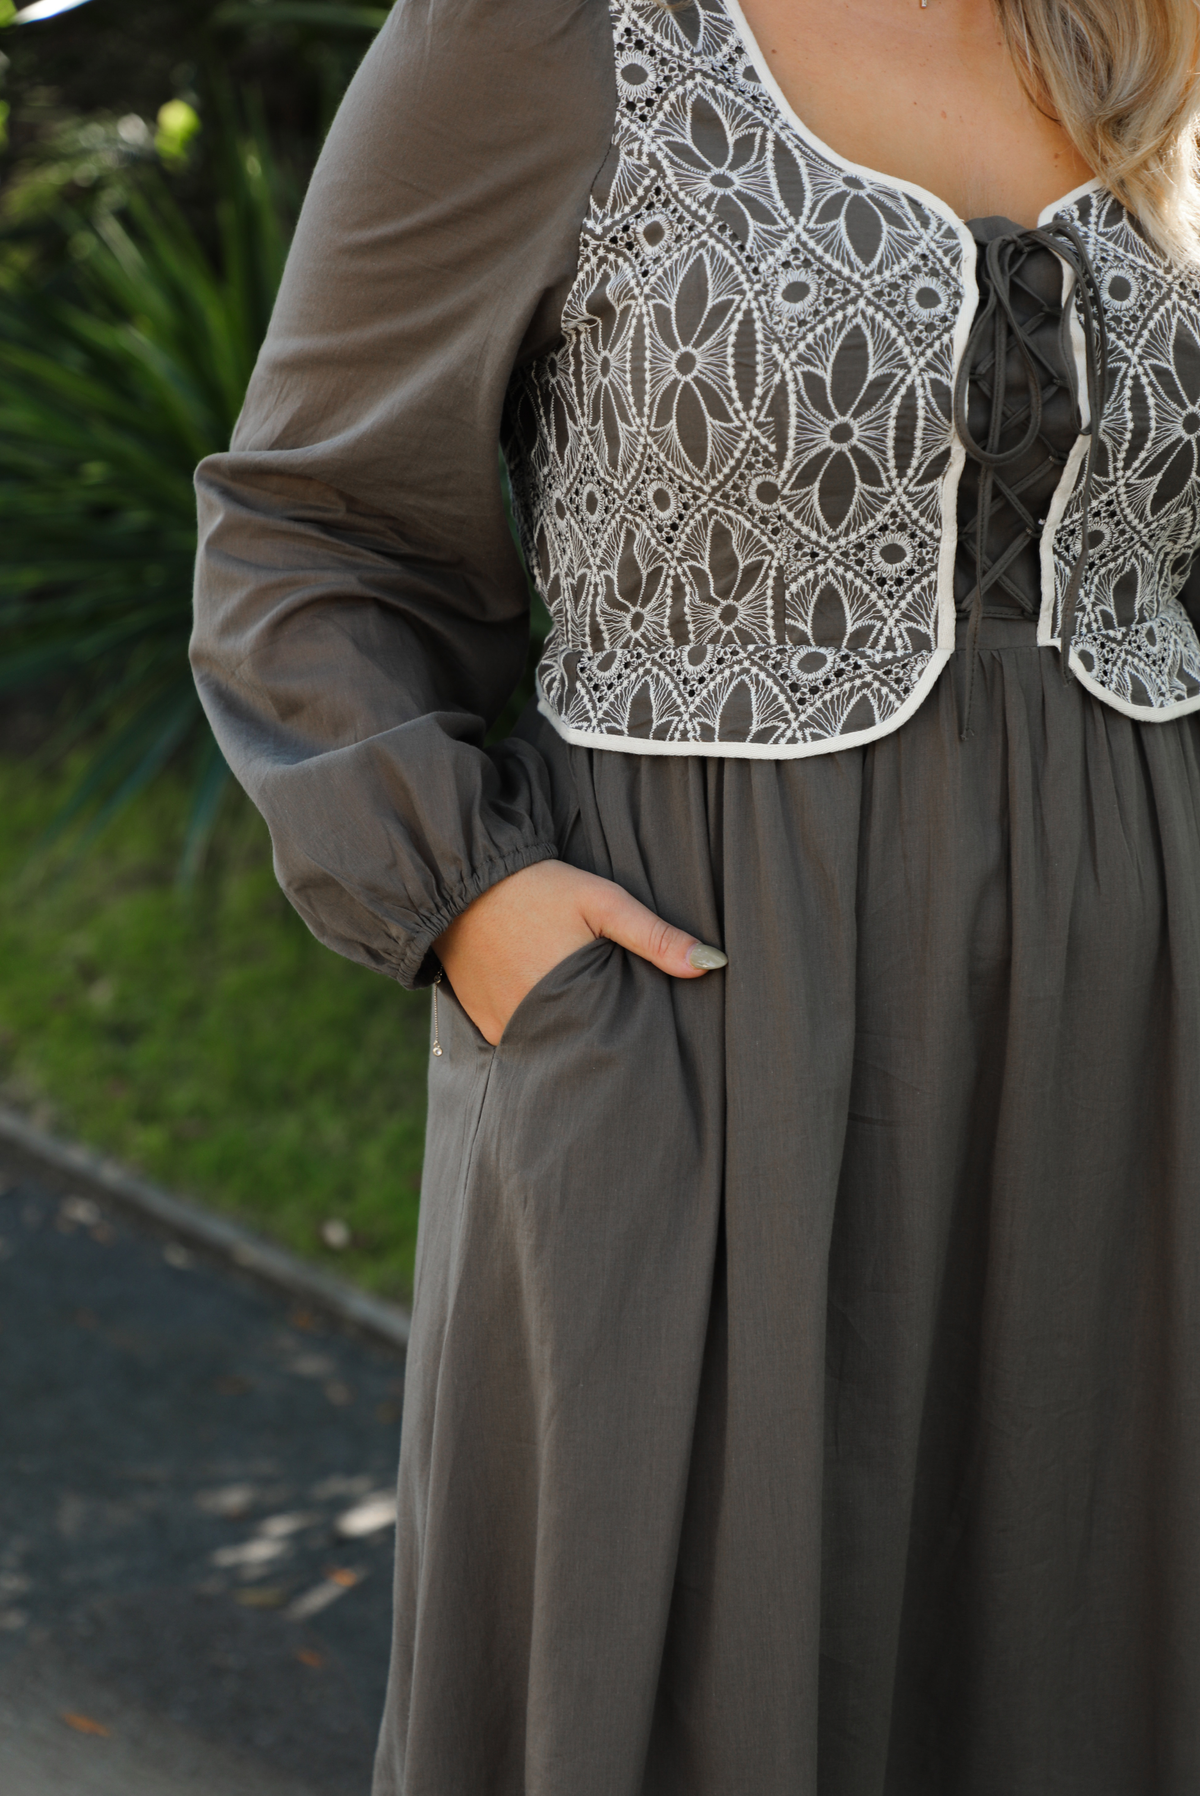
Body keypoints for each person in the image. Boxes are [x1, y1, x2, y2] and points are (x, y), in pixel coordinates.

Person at [190, 0, 1200, 1786]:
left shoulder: (1158, 51)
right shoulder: (545, 31)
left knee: (1077, 1662)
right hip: (702, 1054)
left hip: (1130, 1080)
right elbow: (312, 531)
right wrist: (473, 908)